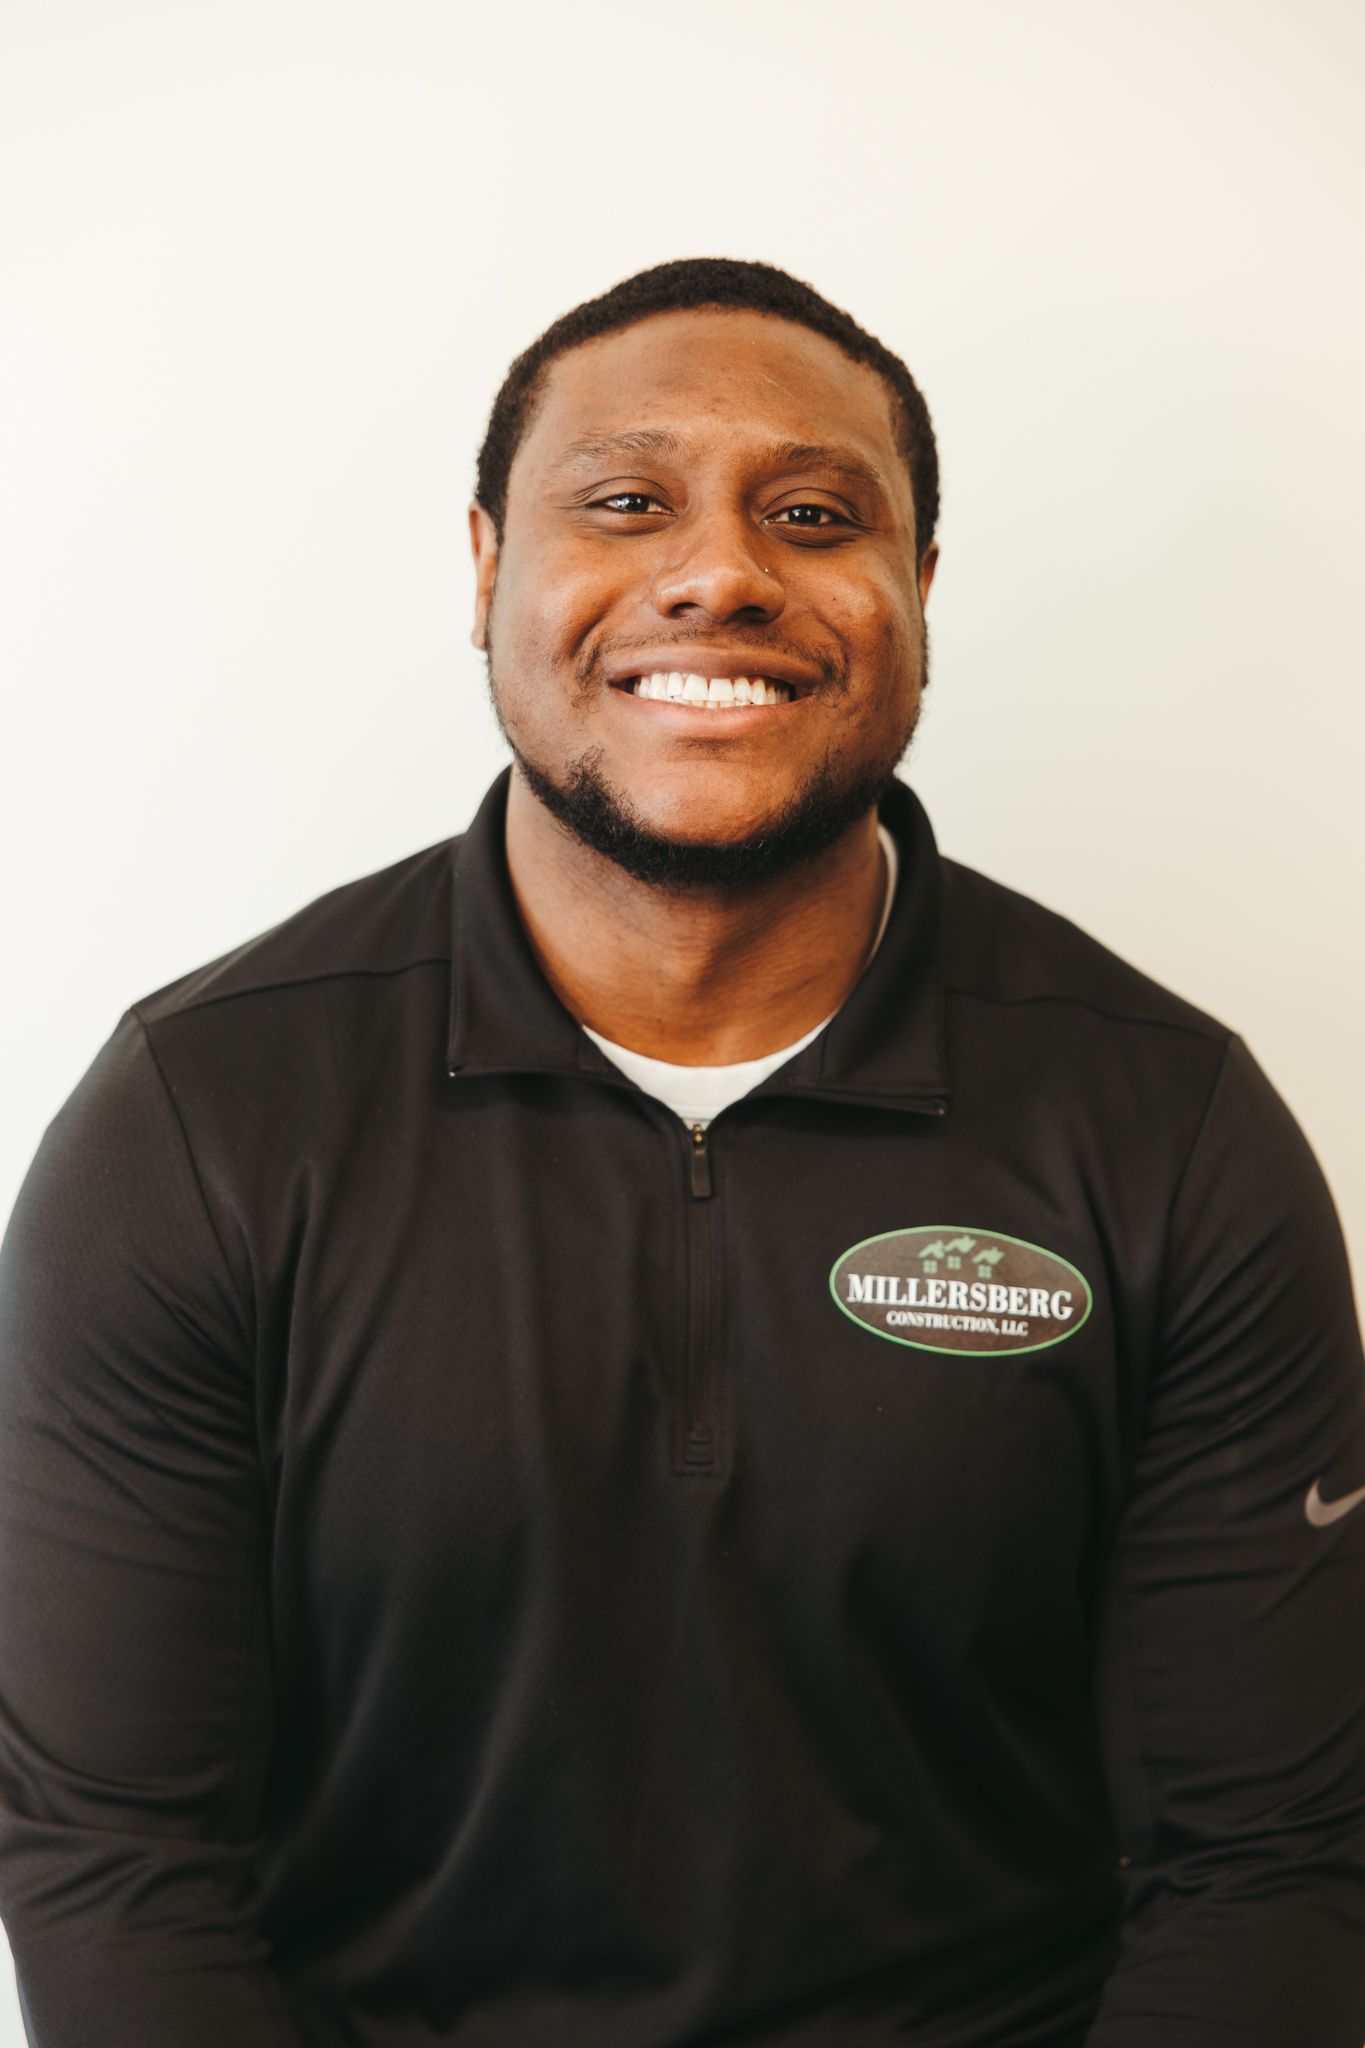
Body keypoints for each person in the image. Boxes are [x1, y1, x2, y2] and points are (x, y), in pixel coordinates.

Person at [0, 256, 1362, 2048]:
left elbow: (1267, 1859)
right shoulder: (200, 1122)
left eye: (812, 514)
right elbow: (114, 1856)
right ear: (488, 568)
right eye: (626, 502)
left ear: (917, 594)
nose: (719, 572)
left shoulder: (1167, 1130)